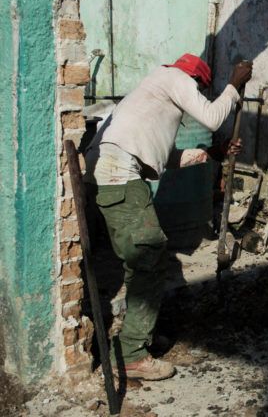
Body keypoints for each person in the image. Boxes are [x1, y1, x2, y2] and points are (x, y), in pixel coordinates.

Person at [84, 54, 253, 380]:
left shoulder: (153, 93)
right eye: (201, 90)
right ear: (198, 80)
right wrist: (234, 84)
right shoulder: (176, 78)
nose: (197, 95)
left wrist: (211, 154)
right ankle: (132, 354)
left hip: (115, 175)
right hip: (122, 177)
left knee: (141, 262)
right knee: (150, 257)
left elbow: (164, 157)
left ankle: (136, 337)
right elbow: (214, 119)